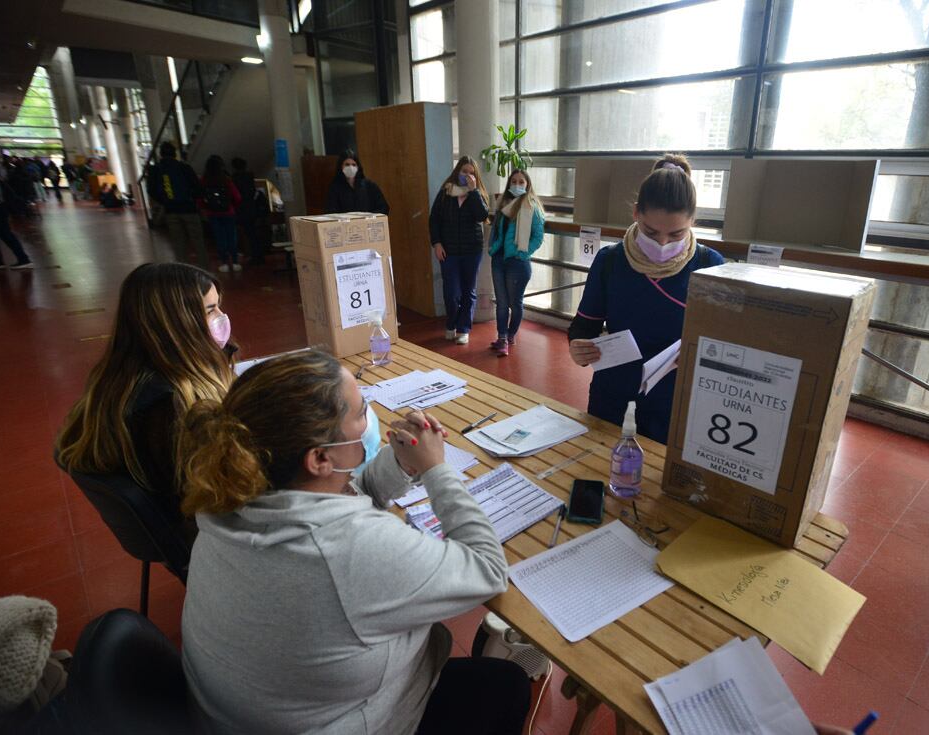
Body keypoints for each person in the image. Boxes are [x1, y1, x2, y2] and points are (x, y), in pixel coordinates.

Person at [178, 349, 530, 734]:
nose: (371, 422)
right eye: (362, 412)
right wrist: (435, 469)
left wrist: (400, 463)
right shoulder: (349, 549)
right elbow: (487, 569)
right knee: (505, 684)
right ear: (319, 459)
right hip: (334, 721)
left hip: (246, 715)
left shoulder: (228, 497)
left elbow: (335, 500)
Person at [55, 263, 236, 521]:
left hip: (182, 514)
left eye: (218, 306)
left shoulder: (122, 376)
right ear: (178, 322)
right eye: (210, 310)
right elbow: (217, 490)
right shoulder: (168, 404)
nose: (221, 317)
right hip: (200, 526)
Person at [567, 154, 725, 444]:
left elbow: (724, 341)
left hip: (676, 398)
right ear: (636, 213)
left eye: (676, 233)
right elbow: (583, 327)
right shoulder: (611, 261)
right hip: (613, 392)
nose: (662, 243)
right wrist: (578, 347)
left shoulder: (709, 266)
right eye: (651, 232)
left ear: (693, 221)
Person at [429, 155, 490, 345]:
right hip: (449, 251)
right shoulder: (446, 192)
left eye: (471, 173)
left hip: (472, 250)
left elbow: (481, 215)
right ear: (457, 172)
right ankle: (451, 323)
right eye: (464, 171)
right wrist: (436, 243)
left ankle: (464, 329)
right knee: (451, 291)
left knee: (468, 290)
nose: (467, 175)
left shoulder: (477, 193)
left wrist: (473, 192)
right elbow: (434, 220)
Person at [488, 169, 544, 357]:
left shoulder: (531, 206)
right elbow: (496, 230)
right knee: (502, 303)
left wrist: (524, 253)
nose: (517, 185)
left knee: (514, 303)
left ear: (528, 185)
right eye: (514, 181)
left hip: (518, 263)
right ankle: (502, 337)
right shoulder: (502, 203)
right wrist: (492, 248)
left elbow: (538, 236)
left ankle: (510, 335)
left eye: (522, 182)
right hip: (499, 259)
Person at [147, 141, 210, 267]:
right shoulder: (184, 167)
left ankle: (183, 272)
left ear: (161, 154)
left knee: (178, 243)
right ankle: (204, 270)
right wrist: (192, 198)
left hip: (171, 210)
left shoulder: (156, 169)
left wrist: (164, 200)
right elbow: (198, 188)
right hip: (189, 209)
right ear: (175, 154)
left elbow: (151, 190)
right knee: (198, 242)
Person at [199, 154, 242, 273]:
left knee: (219, 237)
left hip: (212, 213)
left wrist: (205, 208)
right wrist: (232, 206)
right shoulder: (226, 179)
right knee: (231, 237)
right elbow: (237, 197)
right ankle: (235, 261)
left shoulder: (204, 180)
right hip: (228, 212)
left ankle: (224, 263)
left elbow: (200, 198)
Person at [324, 149, 390, 215]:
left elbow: (383, 207)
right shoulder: (335, 188)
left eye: (354, 164)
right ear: (340, 167)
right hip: (346, 224)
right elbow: (331, 212)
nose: (350, 167)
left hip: (367, 222)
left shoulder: (370, 186)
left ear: (358, 167)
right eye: (347, 164)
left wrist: (370, 217)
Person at [229, 157, 264, 265]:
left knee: (248, 234)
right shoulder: (249, 177)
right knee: (253, 234)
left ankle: (253, 256)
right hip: (252, 209)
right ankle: (258, 255)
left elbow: (235, 196)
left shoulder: (234, 179)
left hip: (241, 210)